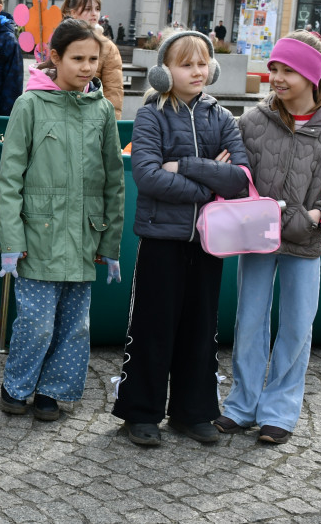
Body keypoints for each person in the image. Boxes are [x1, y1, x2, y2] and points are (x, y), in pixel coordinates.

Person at [215, 31, 321, 444]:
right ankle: (241, 406)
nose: (277, 78)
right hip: (256, 239)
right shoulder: (252, 122)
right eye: (274, 69)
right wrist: (224, 172)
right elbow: (237, 172)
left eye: (288, 71)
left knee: (297, 327)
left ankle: (279, 411)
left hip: (304, 242)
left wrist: (320, 214)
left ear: (312, 76)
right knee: (249, 322)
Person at [110, 29, 249, 446]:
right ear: (164, 71)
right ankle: (141, 413)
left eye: (203, 63)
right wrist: (211, 181)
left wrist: (186, 165)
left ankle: (194, 412)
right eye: (186, 64)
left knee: (201, 330)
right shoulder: (151, 115)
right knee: (152, 328)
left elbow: (240, 178)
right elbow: (148, 176)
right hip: (161, 240)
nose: (197, 71)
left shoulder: (222, 117)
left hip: (210, 242)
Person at [0, 19, 124, 422]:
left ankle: (52, 390)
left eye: (93, 59)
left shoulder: (101, 110)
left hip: (83, 237)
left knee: (74, 325)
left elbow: (113, 179)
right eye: (77, 58)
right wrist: (11, 240)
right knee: (35, 322)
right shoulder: (30, 105)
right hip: (39, 236)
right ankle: (16, 385)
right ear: (55, 57)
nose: (87, 67)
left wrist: (109, 243)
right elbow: (9, 178)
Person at [62, 0, 125, 119]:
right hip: (60, 115)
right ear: (73, 12)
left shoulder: (107, 47)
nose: (94, 13)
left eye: (97, 9)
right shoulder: (61, 41)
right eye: (88, 9)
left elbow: (113, 90)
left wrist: (112, 123)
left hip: (92, 118)